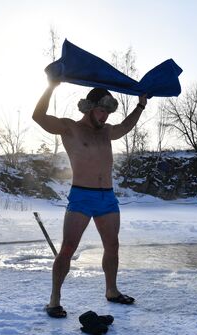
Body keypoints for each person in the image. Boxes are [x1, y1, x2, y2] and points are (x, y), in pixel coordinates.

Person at [32, 79, 147, 318]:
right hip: (82, 196)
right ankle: (54, 300)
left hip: (107, 197)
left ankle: (112, 291)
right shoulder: (70, 128)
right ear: (90, 107)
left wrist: (140, 106)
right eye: (102, 110)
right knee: (68, 249)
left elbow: (125, 127)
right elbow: (39, 117)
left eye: (108, 112)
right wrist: (51, 86)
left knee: (112, 246)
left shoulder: (106, 132)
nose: (105, 116)